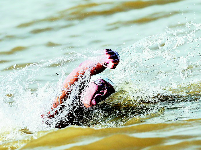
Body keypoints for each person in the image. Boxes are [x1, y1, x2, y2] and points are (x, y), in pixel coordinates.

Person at [43, 49, 120, 128]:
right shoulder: (64, 104)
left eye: (109, 91)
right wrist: (102, 62)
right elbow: (80, 71)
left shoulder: (103, 111)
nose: (104, 92)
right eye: (101, 85)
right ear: (85, 87)